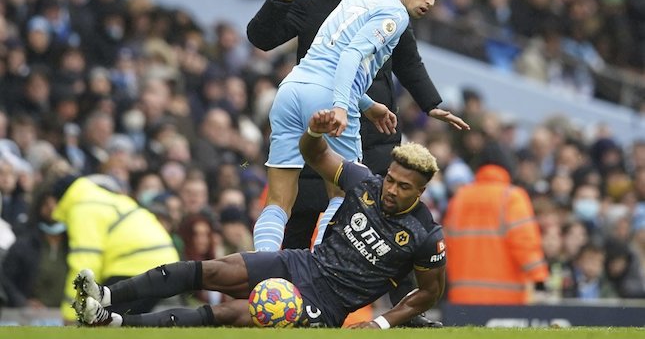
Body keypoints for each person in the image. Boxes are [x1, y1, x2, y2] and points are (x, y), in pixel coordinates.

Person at [72, 109, 446, 328]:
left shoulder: (424, 234)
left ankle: (113, 324)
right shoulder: (365, 182)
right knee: (214, 270)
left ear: (421, 191)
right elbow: (315, 155)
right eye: (392, 180)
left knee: (232, 311)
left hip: (327, 304)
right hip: (301, 263)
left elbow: (429, 292)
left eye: (403, 188)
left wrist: (380, 324)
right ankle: (104, 296)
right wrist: (314, 131)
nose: (391, 190)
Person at [248, 0, 468, 253]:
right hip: (332, 100)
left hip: (292, 90)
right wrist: (342, 106)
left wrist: (370, 105)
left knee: (279, 200)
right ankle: (318, 268)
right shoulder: (392, 13)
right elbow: (349, 56)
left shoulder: (362, 0)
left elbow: (332, 54)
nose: (431, 2)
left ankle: (262, 269)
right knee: (346, 195)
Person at [37, 159, 180, 323]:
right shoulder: (104, 198)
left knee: (95, 323)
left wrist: (71, 313)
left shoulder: (82, 208)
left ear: (55, 200)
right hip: (162, 264)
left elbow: (85, 264)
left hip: (136, 266)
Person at [442, 142, 549, 304]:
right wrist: (539, 280)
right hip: (505, 299)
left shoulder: (459, 198)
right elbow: (525, 244)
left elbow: (445, 246)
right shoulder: (512, 197)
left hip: (462, 298)